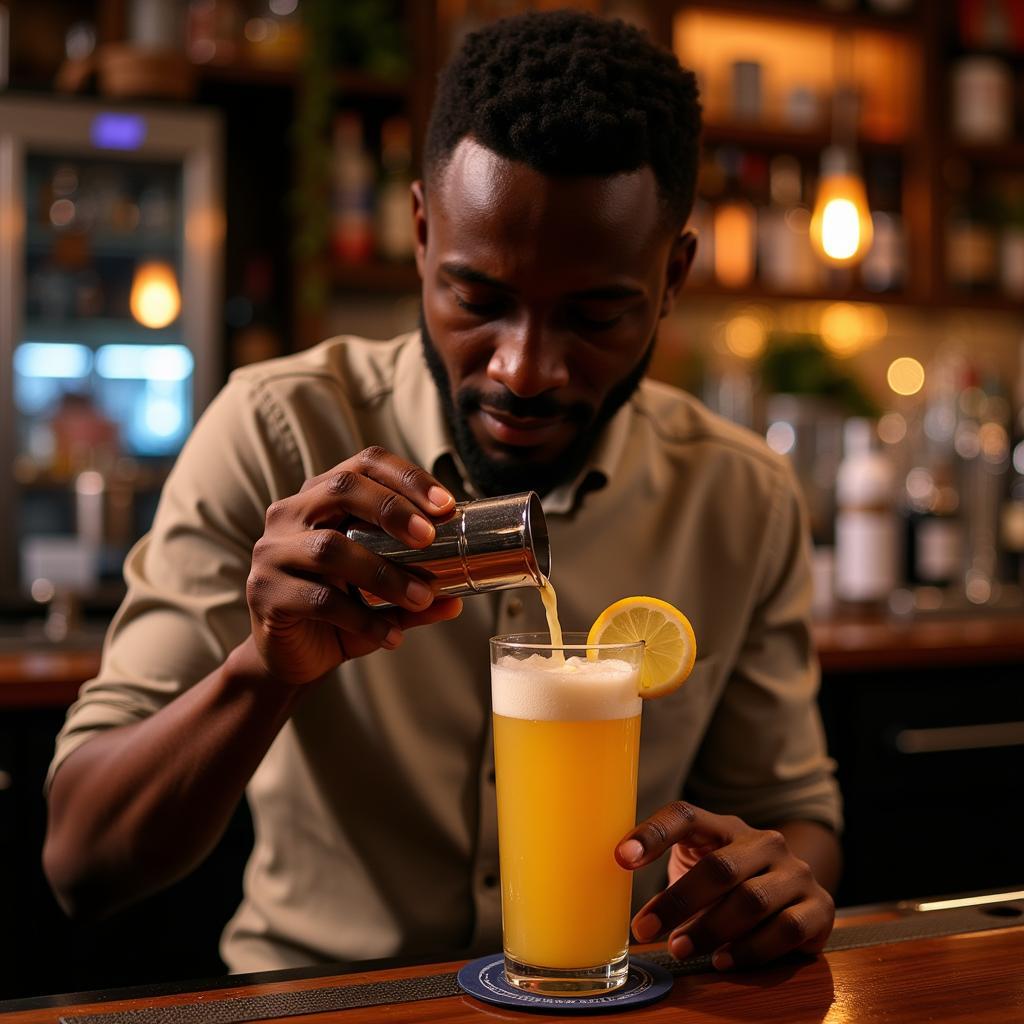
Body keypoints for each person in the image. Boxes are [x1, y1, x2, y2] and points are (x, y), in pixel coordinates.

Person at [43, 10, 841, 976]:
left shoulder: (741, 495)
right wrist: (263, 671)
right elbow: (82, 862)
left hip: (605, 995)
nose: (525, 368)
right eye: (478, 298)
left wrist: (771, 883)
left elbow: (795, 815)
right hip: (325, 1000)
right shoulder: (276, 432)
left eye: (593, 314)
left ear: (671, 277)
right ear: (422, 235)